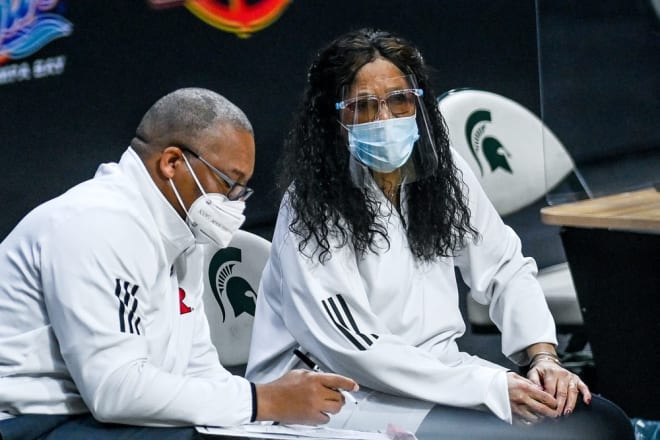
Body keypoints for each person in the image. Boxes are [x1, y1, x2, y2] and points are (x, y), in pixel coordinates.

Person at [245, 30, 633, 439]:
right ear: (333, 119)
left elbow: (503, 265)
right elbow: (352, 346)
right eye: (363, 107)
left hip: (439, 375)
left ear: (419, 103)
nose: (386, 120)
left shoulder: (442, 173)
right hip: (338, 393)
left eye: (399, 101)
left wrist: (543, 357)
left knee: (599, 424)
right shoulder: (312, 205)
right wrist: (486, 387)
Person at [0, 88, 358, 440]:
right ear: (172, 163)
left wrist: (267, 417)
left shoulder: (183, 238)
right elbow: (115, 390)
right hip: (29, 421)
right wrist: (263, 400)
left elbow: (198, 368)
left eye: (242, 191)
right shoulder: (96, 224)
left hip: (94, 420)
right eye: (230, 184)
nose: (236, 204)